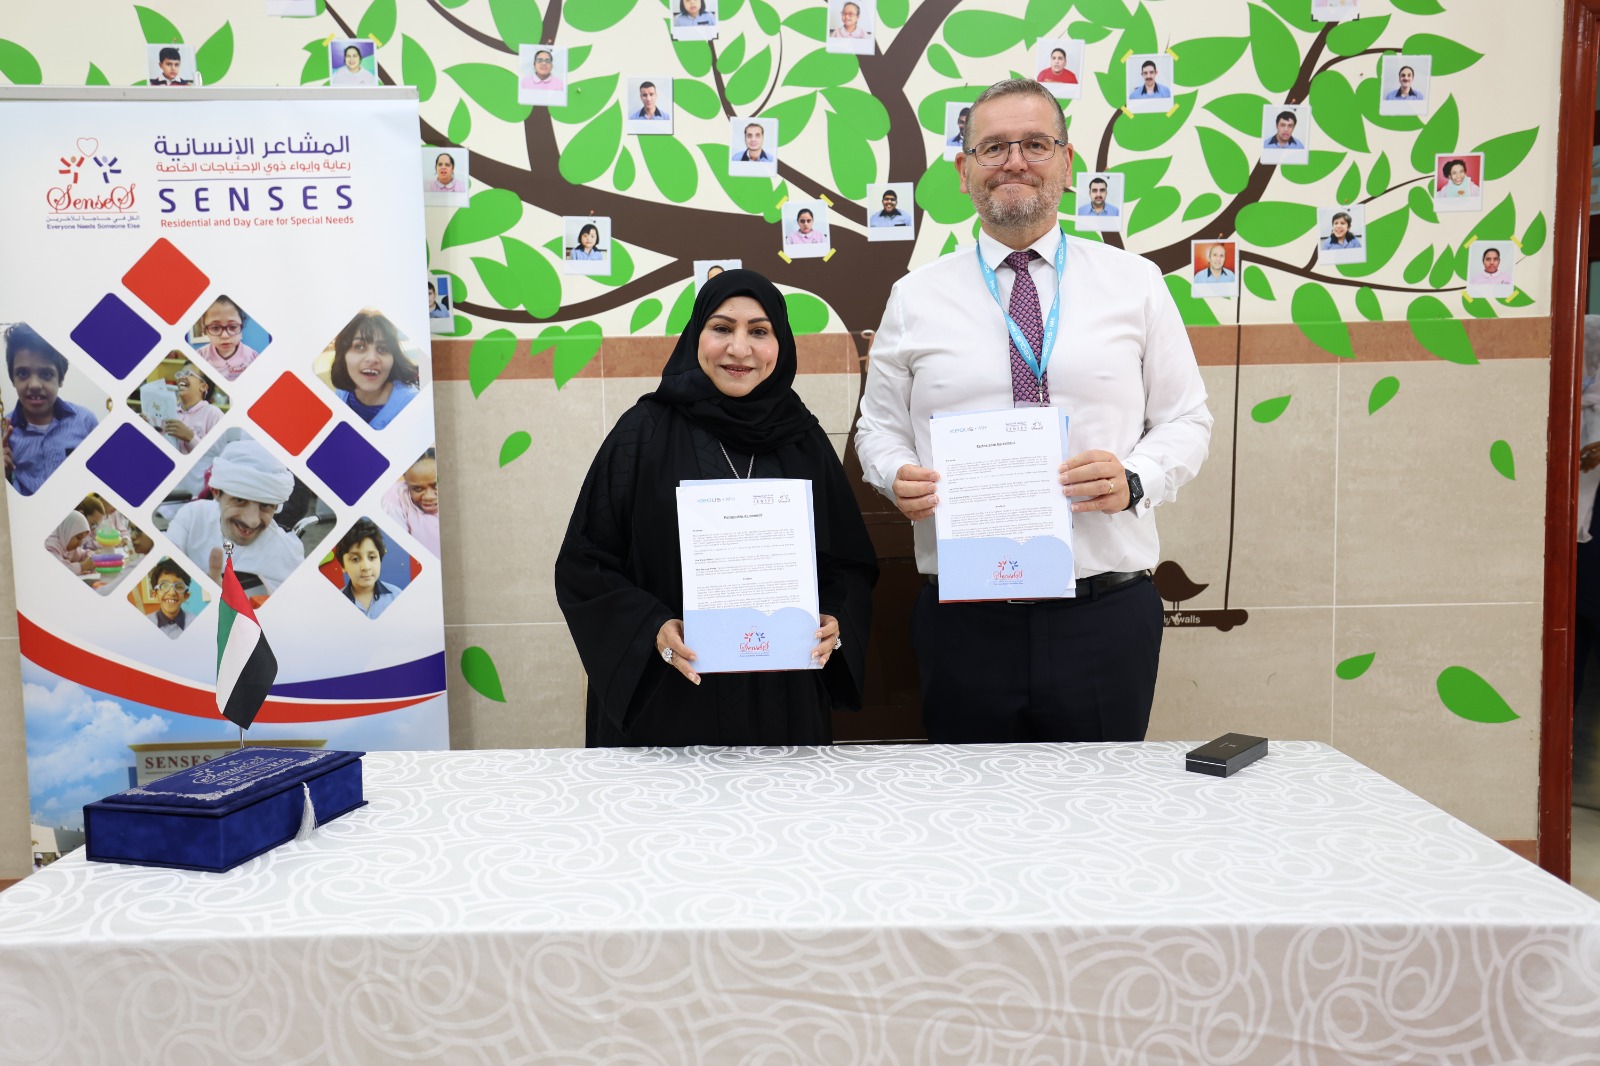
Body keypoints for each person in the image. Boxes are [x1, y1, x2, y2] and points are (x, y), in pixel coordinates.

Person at [854, 77, 1212, 744]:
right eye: (992, 147)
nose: (1013, 161)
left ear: (1067, 163)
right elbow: (878, 427)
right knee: (974, 821)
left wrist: (1135, 478)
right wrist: (893, 472)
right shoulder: (915, 296)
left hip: (1102, 611)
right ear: (964, 172)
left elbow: (1187, 418)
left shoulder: (1134, 284)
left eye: (1034, 144)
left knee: (1102, 818)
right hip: (964, 617)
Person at [556, 268, 877, 747]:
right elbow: (585, 563)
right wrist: (652, 629)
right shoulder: (641, 433)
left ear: (781, 344)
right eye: (722, 328)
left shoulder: (804, 439)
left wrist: (834, 620)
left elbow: (847, 564)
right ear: (696, 335)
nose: (740, 349)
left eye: (759, 331)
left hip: (782, 697)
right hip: (668, 699)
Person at [165, 438, 305, 593]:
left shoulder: (287, 554)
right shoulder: (193, 517)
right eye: (239, 500)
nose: (252, 521)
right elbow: (161, 568)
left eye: (265, 505)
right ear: (216, 492)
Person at [4, 323, 99, 495]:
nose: (34, 385)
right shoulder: (4, 433)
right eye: (23, 374)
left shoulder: (86, 422)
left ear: (61, 378)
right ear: (12, 378)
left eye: (46, 374)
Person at [330, 311, 420, 429]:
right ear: (343, 356)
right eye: (359, 347)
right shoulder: (341, 393)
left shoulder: (411, 404)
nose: (372, 359)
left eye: (383, 348)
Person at [335, 518, 402, 619]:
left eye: (372, 557)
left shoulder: (397, 595)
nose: (366, 567)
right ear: (343, 566)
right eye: (355, 559)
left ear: (380, 559)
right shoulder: (335, 604)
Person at [381, 449, 440, 557]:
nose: (429, 496)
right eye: (417, 489)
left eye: (436, 485)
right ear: (406, 483)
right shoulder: (396, 498)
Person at [192, 295, 259, 380]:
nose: (225, 336)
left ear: (241, 326)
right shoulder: (199, 356)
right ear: (205, 330)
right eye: (215, 328)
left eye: (233, 327)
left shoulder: (252, 356)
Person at [162, 365, 223, 455]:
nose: (181, 377)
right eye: (180, 374)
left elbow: (218, 455)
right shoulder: (168, 410)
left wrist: (190, 437)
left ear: (203, 387)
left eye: (188, 374)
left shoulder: (213, 413)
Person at [145, 558, 194, 638]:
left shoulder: (195, 622)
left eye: (179, 586)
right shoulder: (145, 625)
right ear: (155, 594)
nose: (172, 592)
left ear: (186, 596)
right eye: (164, 585)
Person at [44, 511, 94, 576]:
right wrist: (83, 566)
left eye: (82, 539)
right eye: (78, 537)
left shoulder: (70, 547)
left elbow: (86, 553)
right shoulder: (49, 546)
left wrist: (89, 557)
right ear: (68, 531)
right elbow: (58, 571)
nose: (79, 544)